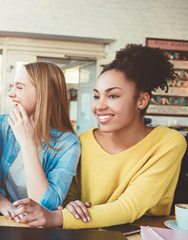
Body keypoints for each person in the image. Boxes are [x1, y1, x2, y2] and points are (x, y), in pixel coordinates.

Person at [11, 44, 187, 228]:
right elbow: (68, 198)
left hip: (145, 233)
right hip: (91, 232)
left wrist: (58, 218)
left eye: (112, 96)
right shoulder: (84, 141)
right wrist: (70, 206)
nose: (99, 106)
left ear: (142, 100)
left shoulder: (168, 142)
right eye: (96, 96)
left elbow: (130, 207)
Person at [0, 61, 80, 220]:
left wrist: (27, 143)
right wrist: (3, 203)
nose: (11, 93)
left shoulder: (68, 144)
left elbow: (45, 206)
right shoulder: (2, 125)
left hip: (38, 228)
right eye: (13, 86)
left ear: (46, 92)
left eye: (20, 87)